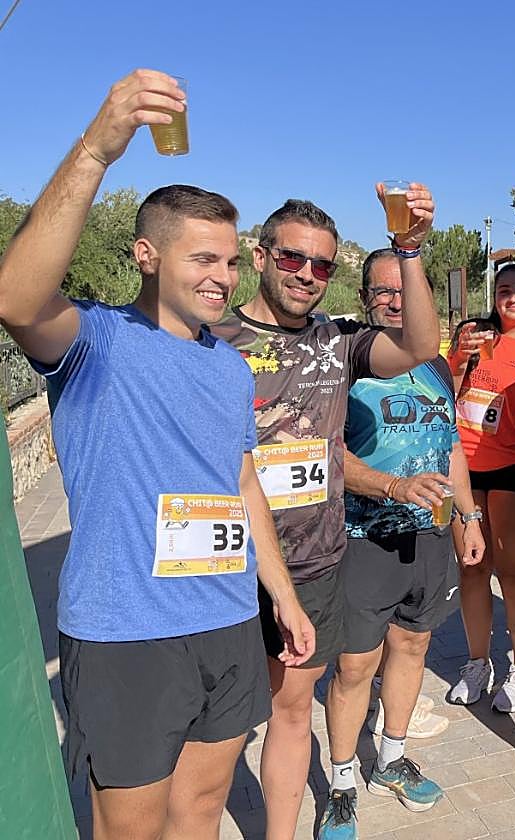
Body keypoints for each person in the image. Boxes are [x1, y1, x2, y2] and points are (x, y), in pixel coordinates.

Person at [0, 70, 313, 840]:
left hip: (228, 619)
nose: (223, 278)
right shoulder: (97, 340)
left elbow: (240, 482)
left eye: (232, 261)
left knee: (201, 810)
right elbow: (14, 299)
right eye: (202, 259)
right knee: (130, 829)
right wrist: (99, 150)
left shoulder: (227, 364)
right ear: (146, 254)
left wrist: (283, 593)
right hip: (125, 633)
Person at [211, 189, 439, 839]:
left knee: (288, 714)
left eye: (322, 266)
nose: (307, 275)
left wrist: (410, 249)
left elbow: (420, 344)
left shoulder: (336, 341)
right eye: (293, 259)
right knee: (217, 735)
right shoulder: (213, 338)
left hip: (310, 564)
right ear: (261, 256)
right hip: (222, 565)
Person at [318, 249, 485, 837]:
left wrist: (468, 516)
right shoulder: (349, 361)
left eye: (403, 290)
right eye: (382, 291)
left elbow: (452, 446)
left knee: (411, 651)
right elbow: (330, 455)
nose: (393, 300)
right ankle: (340, 782)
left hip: (430, 536)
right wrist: (391, 486)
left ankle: (389, 759)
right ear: (364, 298)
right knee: (356, 664)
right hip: (367, 538)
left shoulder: (437, 364)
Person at [444, 264, 515, 714]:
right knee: (471, 570)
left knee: (512, 574)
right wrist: (459, 360)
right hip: (462, 470)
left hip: (512, 471)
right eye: (505, 290)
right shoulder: (473, 334)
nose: (513, 298)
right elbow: (443, 395)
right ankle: (477, 663)